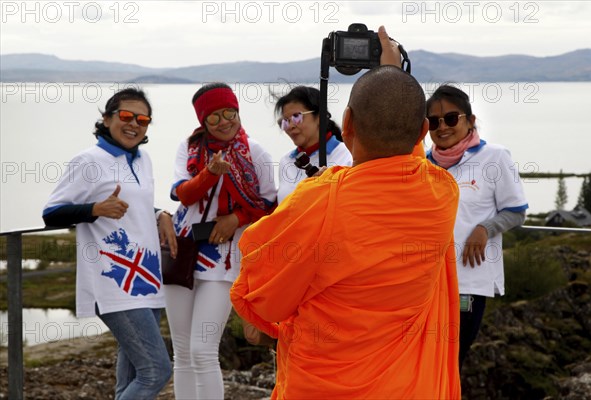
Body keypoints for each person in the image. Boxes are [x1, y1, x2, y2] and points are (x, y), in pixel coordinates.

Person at [230, 31, 462, 399]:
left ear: (347, 123)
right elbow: (407, 157)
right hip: (409, 388)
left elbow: (261, 295)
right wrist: (392, 72)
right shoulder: (442, 191)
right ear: (423, 131)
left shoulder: (320, 201)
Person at [42, 88, 175, 399]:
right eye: (126, 116)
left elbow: (137, 206)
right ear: (107, 119)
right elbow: (51, 214)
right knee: (157, 370)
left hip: (147, 280)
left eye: (143, 119)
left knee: (132, 376)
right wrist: (94, 209)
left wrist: (161, 214)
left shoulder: (143, 160)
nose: (134, 124)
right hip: (112, 282)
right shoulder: (88, 161)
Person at [164, 82, 277, 399]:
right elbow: (184, 194)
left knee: (202, 349)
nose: (224, 121)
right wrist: (210, 173)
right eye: (214, 117)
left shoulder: (256, 152)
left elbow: (270, 206)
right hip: (182, 250)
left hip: (224, 259)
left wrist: (236, 219)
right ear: (203, 121)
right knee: (183, 352)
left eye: (230, 112)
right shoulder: (189, 147)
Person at [425, 84, 528, 370]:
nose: (442, 127)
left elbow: (516, 212)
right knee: (425, 365)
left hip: (467, 282)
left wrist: (484, 228)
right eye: (433, 121)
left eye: (451, 118)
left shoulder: (495, 157)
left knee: (450, 363)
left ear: (470, 120)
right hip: (424, 284)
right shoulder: (422, 163)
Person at [274, 85, 353, 203]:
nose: (290, 126)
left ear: (319, 117)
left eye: (296, 116)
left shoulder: (346, 156)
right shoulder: (286, 161)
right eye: (285, 121)